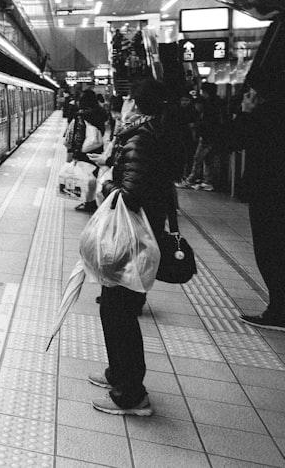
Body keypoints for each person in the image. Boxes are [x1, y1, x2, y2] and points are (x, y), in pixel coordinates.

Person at [89, 78, 178, 416]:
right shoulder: (153, 135)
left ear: (137, 106)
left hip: (132, 239)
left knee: (118, 312)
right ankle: (118, 376)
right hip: (140, 235)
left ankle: (131, 394)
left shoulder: (140, 139)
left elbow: (130, 194)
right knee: (117, 309)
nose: (123, 105)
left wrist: (105, 180)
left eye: (128, 100)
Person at [227, 70, 285, 331]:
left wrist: (245, 112)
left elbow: (233, 140)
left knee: (269, 249)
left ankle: (278, 311)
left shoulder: (263, 117)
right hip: (273, 190)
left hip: (268, 192)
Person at [67, 90, 108, 212]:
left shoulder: (81, 115)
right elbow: (103, 131)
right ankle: (91, 201)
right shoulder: (101, 113)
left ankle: (89, 203)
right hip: (97, 148)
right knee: (93, 176)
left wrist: (75, 153)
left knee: (85, 177)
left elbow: (78, 136)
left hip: (84, 150)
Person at [178, 83, 224, 191]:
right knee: (208, 159)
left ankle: (190, 180)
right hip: (214, 136)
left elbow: (206, 122)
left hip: (208, 136)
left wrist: (197, 127)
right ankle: (208, 181)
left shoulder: (209, 106)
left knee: (197, 158)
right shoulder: (217, 104)